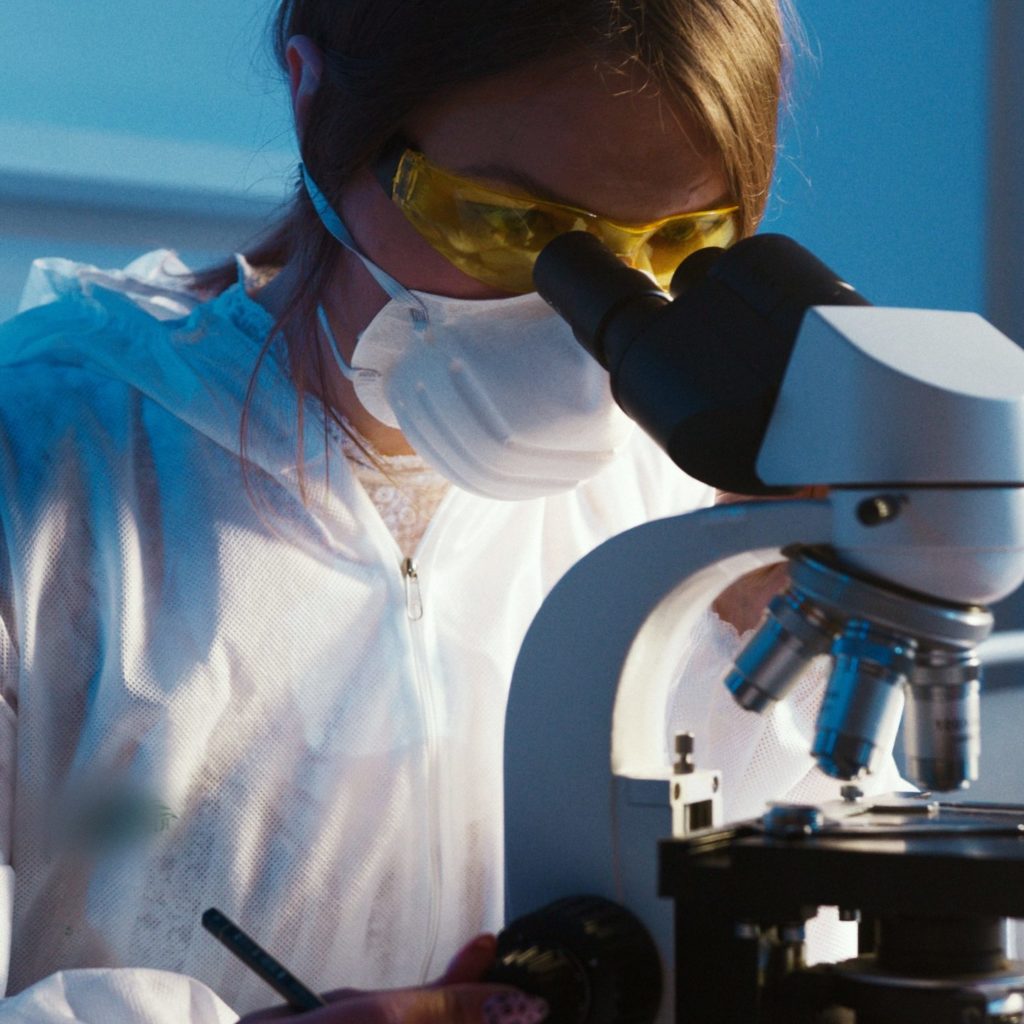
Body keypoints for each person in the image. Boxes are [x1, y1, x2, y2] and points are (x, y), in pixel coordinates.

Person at [0, 1, 903, 1021]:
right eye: (513, 227)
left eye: (680, 244)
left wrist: (763, 608)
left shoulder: (674, 492)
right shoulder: (44, 468)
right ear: (315, 103)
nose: (586, 323)